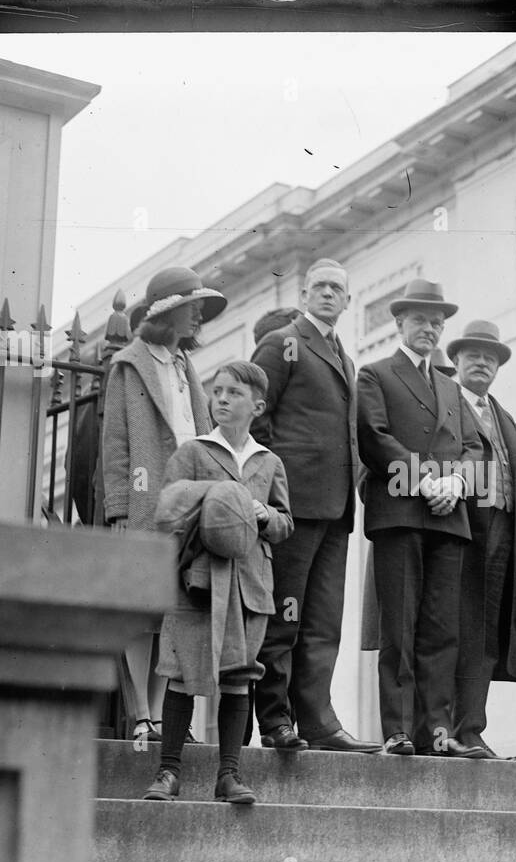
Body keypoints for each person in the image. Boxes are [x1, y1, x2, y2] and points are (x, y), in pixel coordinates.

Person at [141, 361, 295, 804]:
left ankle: (228, 775)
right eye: (217, 392)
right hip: (198, 580)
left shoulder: (269, 462)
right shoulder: (193, 452)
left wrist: (265, 516)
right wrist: (216, 499)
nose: (222, 399)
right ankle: (168, 771)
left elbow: (286, 522)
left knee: (239, 677)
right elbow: (167, 507)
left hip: (249, 583)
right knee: (181, 672)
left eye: (233, 393)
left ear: (257, 406)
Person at [250, 259, 380, 753]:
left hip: (336, 508)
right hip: (294, 507)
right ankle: (276, 720)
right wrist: (275, 486)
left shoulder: (343, 356)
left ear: (347, 301)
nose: (328, 293)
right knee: (285, 615)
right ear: (305, 294)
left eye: (337, 288)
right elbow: (256, 418)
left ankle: (318, 721)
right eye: (319, 286)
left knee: (323, 621)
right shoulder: (284, 341)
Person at [357, 279, 484, 757]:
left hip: (450, 517)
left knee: (441, 629)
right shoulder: (375, 375)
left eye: (437, 322)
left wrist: (456, 483)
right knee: (401, 625)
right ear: (399, 324)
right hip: (402, 513)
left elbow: (473, 446)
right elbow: (375, 434)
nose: (429, 329)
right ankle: (398, 729)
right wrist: (425, 479)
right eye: (420, 320)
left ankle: (437, 732)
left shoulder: (452, 387)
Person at [102, 265, 223, 741]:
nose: (198, 318)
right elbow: (115, 445)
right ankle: (142, 718)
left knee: (174, 611)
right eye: (192, 309)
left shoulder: (184, 367)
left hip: (187, 502)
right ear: (167, 312)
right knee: (141, 612)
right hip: (144, 502)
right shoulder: (129, 365)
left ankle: (163, 716)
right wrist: (118, 510)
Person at [448, 320, 516, 758]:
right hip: (458, 530)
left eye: (490, 357)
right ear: (456, 361)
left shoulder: (505, 416)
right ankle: (439, 726)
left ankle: (470, 728)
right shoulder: (444, 402)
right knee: (450, 628)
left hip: (502, 532)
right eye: (473, 355)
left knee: (485, 634)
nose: (482, 362)